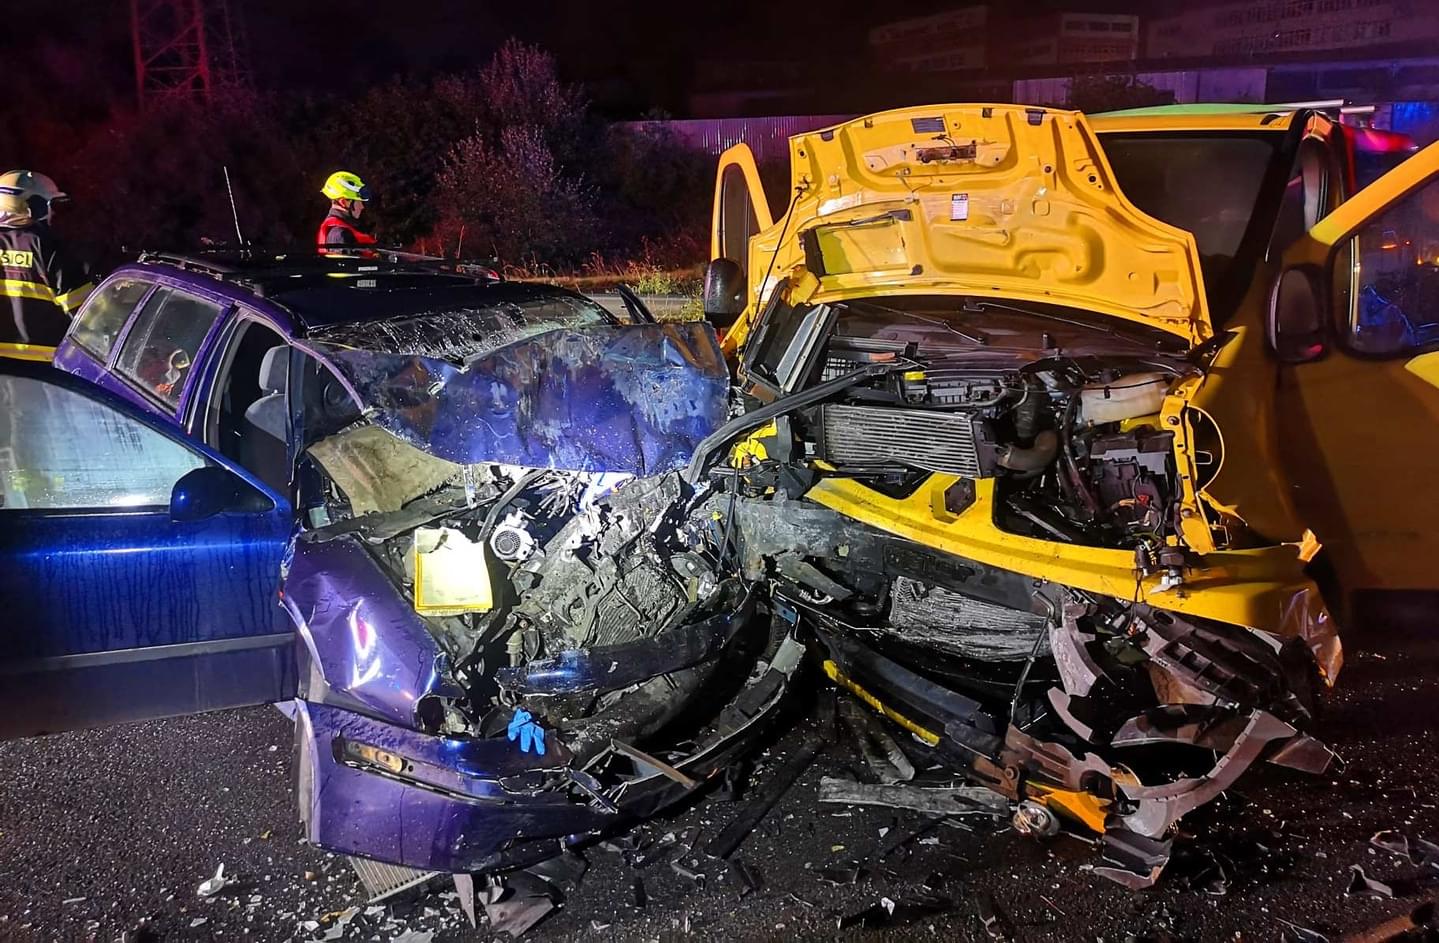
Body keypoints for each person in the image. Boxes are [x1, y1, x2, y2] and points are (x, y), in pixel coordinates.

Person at [0, 170, 93, 349]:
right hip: (40, 361)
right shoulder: (49, 246)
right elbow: (85, 314)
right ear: (34, 206)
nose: (52, 212)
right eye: (50, 204)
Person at [316, 171, 377, 249]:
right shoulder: (340, 235)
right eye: (359, 202)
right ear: (343, 202)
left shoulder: (342, 230)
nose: (362, 207)